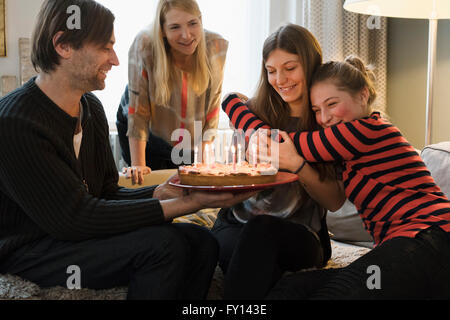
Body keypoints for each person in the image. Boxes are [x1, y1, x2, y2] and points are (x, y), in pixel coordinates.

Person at [0, 0, 254, 300]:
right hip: (34, 249)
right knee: (163, 246)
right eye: (106, 48)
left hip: (72, 233)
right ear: (64, 45)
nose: (116, 60)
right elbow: (74, 218)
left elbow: (106, 192)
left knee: (202, 242)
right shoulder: (15, 121)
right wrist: (187, 204)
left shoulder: (89, 108)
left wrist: (164, 192)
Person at [223, 55, 450, 299]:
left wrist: (231, 101)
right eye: (316, 110)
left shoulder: (365, 131)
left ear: (362, 95)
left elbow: (274, 142)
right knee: (292, 288)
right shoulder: (347, 147)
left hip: (431, 237)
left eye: (331, 104)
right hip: (406, 245)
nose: (324, 118)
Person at [210, 24, 346, 300]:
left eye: (290, 68)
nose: (280, 79)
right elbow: (230, 99)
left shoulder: (326, 120)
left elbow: (334, 202)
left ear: (309, 64)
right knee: (249, 254)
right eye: (271, 71)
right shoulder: (255, 115)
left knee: (261, 235)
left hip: (300, 232)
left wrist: (297, 164)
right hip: (237, 223)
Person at [118, 0, 228, 184]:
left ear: (201, 21)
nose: (186, 35)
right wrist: (139, 167)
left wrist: (202, 165)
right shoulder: (144, 45)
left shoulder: (215, 47)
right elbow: (138, 114)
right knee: (151, 190)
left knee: (189, 188)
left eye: (193, 23)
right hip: (146, 130)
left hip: (187, 134)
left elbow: (212, 112)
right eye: (175, 27)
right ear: (162, 30)